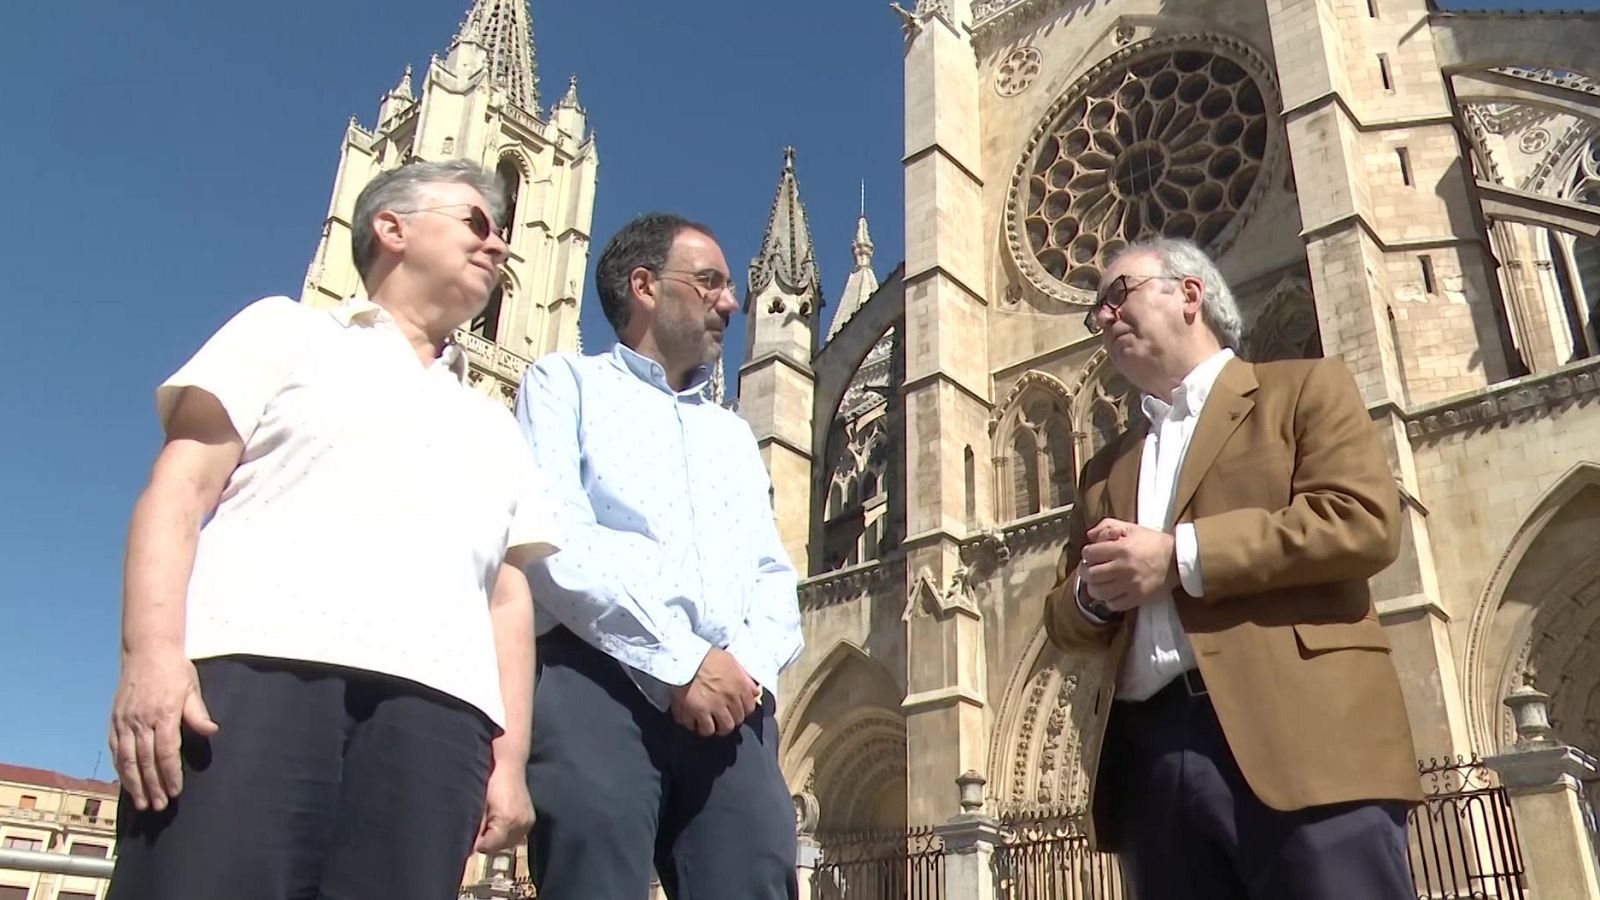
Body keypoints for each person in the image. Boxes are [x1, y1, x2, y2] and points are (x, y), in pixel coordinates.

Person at [106, 160, 558, 900]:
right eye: (478, 222)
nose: (499, 245)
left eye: (505, 232)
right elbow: (178, 492)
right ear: (392, 227)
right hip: (255, 677)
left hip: (439, 720)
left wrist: (508, 765)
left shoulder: (497, 422)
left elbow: (507, 598)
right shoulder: (283, 330)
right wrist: (150, 654)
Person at [1042, 238, 1421, 899]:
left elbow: (1361, 522)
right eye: (1094, 311)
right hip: (1152, 757)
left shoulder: (1301, 389)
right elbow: (1060, 617)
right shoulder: (1104, 471)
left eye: (1117, 295)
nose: (1102, 318)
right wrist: (1094, 593)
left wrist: (1179, 557)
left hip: (1302, 737)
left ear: (1189, 295)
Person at [514, 212, 803, 900]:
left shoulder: (732, 434)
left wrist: (744, 672)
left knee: (760, 872)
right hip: (600, 675)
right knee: (595, 879)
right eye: (709, 283)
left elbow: (771, 573)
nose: (730, 303)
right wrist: (679, 663)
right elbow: (552, 542)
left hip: (734, 698)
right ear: (644, 286)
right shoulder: (563, 385)